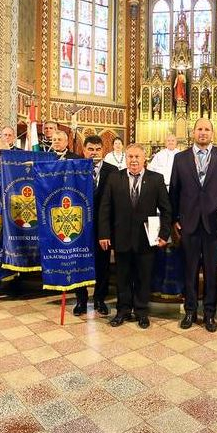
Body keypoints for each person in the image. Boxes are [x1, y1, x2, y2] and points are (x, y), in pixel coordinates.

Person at [169, 118, 217, 332]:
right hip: (189, 223)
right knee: (189, 270)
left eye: (206, 129)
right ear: (193, 132)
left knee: (212, 271)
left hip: (214, 224)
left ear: (212, 133)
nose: (203, 132)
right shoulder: (180, 158)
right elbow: (174, 190)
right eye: (199, 129)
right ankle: (190, 311)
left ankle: (210, 314)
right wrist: (174, 220)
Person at [99, 144, 171, 329]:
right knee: (122, 277)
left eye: (137, 156)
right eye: (130, 156)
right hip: (121, 237)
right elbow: (105, 208)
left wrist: (164, 234)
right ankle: (122, 311)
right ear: (126, 158)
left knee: (143, 277)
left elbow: (166, 209)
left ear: (144, 158)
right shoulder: (115, 178)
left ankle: (141, 312)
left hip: (146, 239)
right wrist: (104, 233)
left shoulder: (156, 179)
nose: (133, 160)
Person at [74, 135, 117, 316]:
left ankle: (100, 299)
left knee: (102, 265)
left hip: (102, 228)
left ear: (103, 151)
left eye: (97, 149)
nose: (94, 152)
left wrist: (109, 230)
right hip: (79, 227)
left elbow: (115, 202)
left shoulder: (113, 170)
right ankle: (81, 301)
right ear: (84, 151)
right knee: (79, 264)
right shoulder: (74, 169)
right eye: (90, 149)